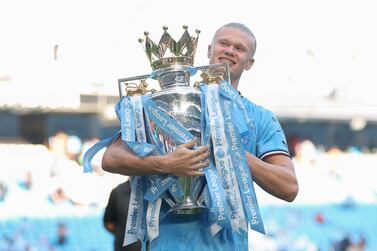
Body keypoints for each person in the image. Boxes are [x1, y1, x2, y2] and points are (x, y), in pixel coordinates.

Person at [101, 22, 299, 250]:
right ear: (209, 49)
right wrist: (165, 163)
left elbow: (289, 187)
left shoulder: (260, 117)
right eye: (223, 43)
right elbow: (110, 158)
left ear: (250, 63)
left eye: (240, 48)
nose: (229, 50)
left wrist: (231, 151)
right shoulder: (168, 102)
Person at [104, 180, 142, 251]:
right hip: (123, 247)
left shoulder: (157, 190)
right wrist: (121, 234)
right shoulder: (117, 191)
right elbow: (108, 222)